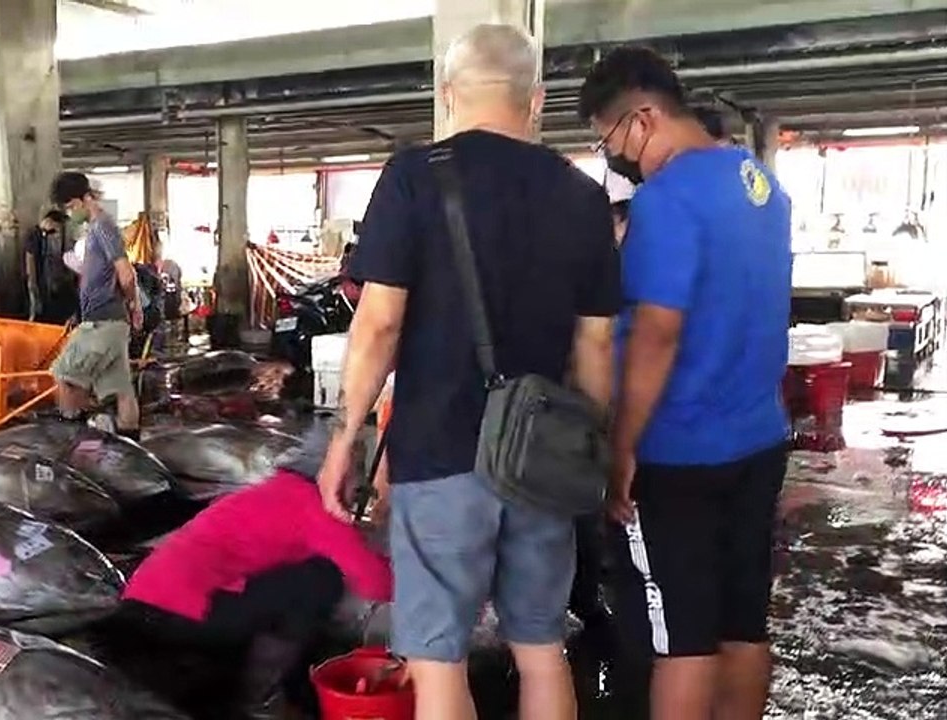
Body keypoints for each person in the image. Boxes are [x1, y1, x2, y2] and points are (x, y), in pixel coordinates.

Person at [317, 24, 620, 720]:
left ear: (448, 95)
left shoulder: (414, 177)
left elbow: (380, 324)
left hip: (440, 450)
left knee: (438, 654)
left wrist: (346, 439)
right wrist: (591, 451)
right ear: (536, 100)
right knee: (542, 647)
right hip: (542, 456)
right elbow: (596, 348)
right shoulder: (583, 198)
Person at [578, 46, 791, 720]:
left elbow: (656, 333)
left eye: (607, 138)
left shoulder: (666, 200)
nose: (613, 155)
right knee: (743, 625)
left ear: (642, 119)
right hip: (758, 441)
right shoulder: (760, 185)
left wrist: (622, 448)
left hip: (679, 454)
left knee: (682, 641)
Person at [110, 425, 392, 717]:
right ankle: (261, 702)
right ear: (336, 471)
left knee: (306, 582)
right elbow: (376, 584)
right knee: (319, 581)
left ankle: (294, 690)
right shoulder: (313, 505)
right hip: (176, 611)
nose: (358, 489)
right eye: (357, 476)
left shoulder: (280, 489)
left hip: (148, 599)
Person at [48, 172, 143, 439]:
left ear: (84, 198)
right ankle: (131, 451)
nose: (69, 213)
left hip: (103, 322)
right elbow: (103, 274)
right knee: (121, 389)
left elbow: (126, 273)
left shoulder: (102, 225)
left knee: (64, 376)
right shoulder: (97, 227)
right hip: (108, 321)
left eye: (70, 206)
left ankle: (73, 443)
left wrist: (135, 306)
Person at [24, 210, 74, 324]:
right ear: (49, 221)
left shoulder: (47, 235)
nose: (57, 231)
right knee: (37, 312)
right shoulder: (34, 235)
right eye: (56, 226)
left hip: (50, 283)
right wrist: (32, 284)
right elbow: (30, 260)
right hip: (38, 282)